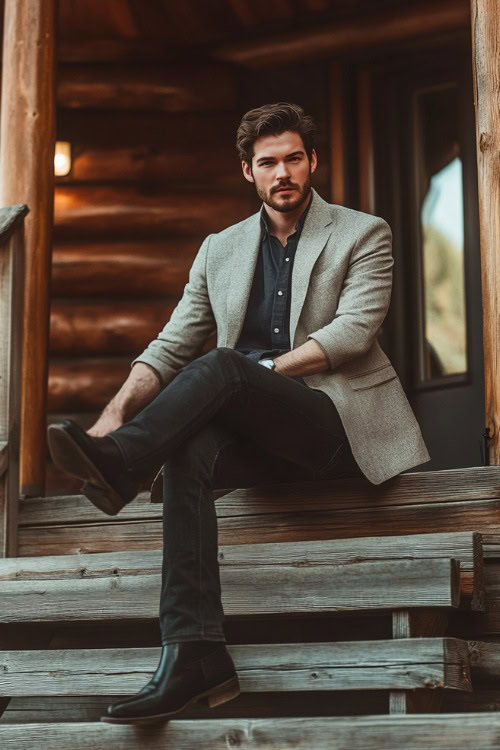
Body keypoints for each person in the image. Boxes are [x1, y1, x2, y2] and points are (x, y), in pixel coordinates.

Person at [48, 102, 430, 725]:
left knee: (226, 367)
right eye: (268, 162)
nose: (283, 173)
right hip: (258, 438)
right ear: (247, 172)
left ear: (314, 162)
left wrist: (259, 373)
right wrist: (112, 415)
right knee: (189, 450)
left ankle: (120, 470)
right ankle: (193, 653)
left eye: (293, 159)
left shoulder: (364, 232)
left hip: (333, 428)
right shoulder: (218, 250)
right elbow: (172, 345)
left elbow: (354, 333)